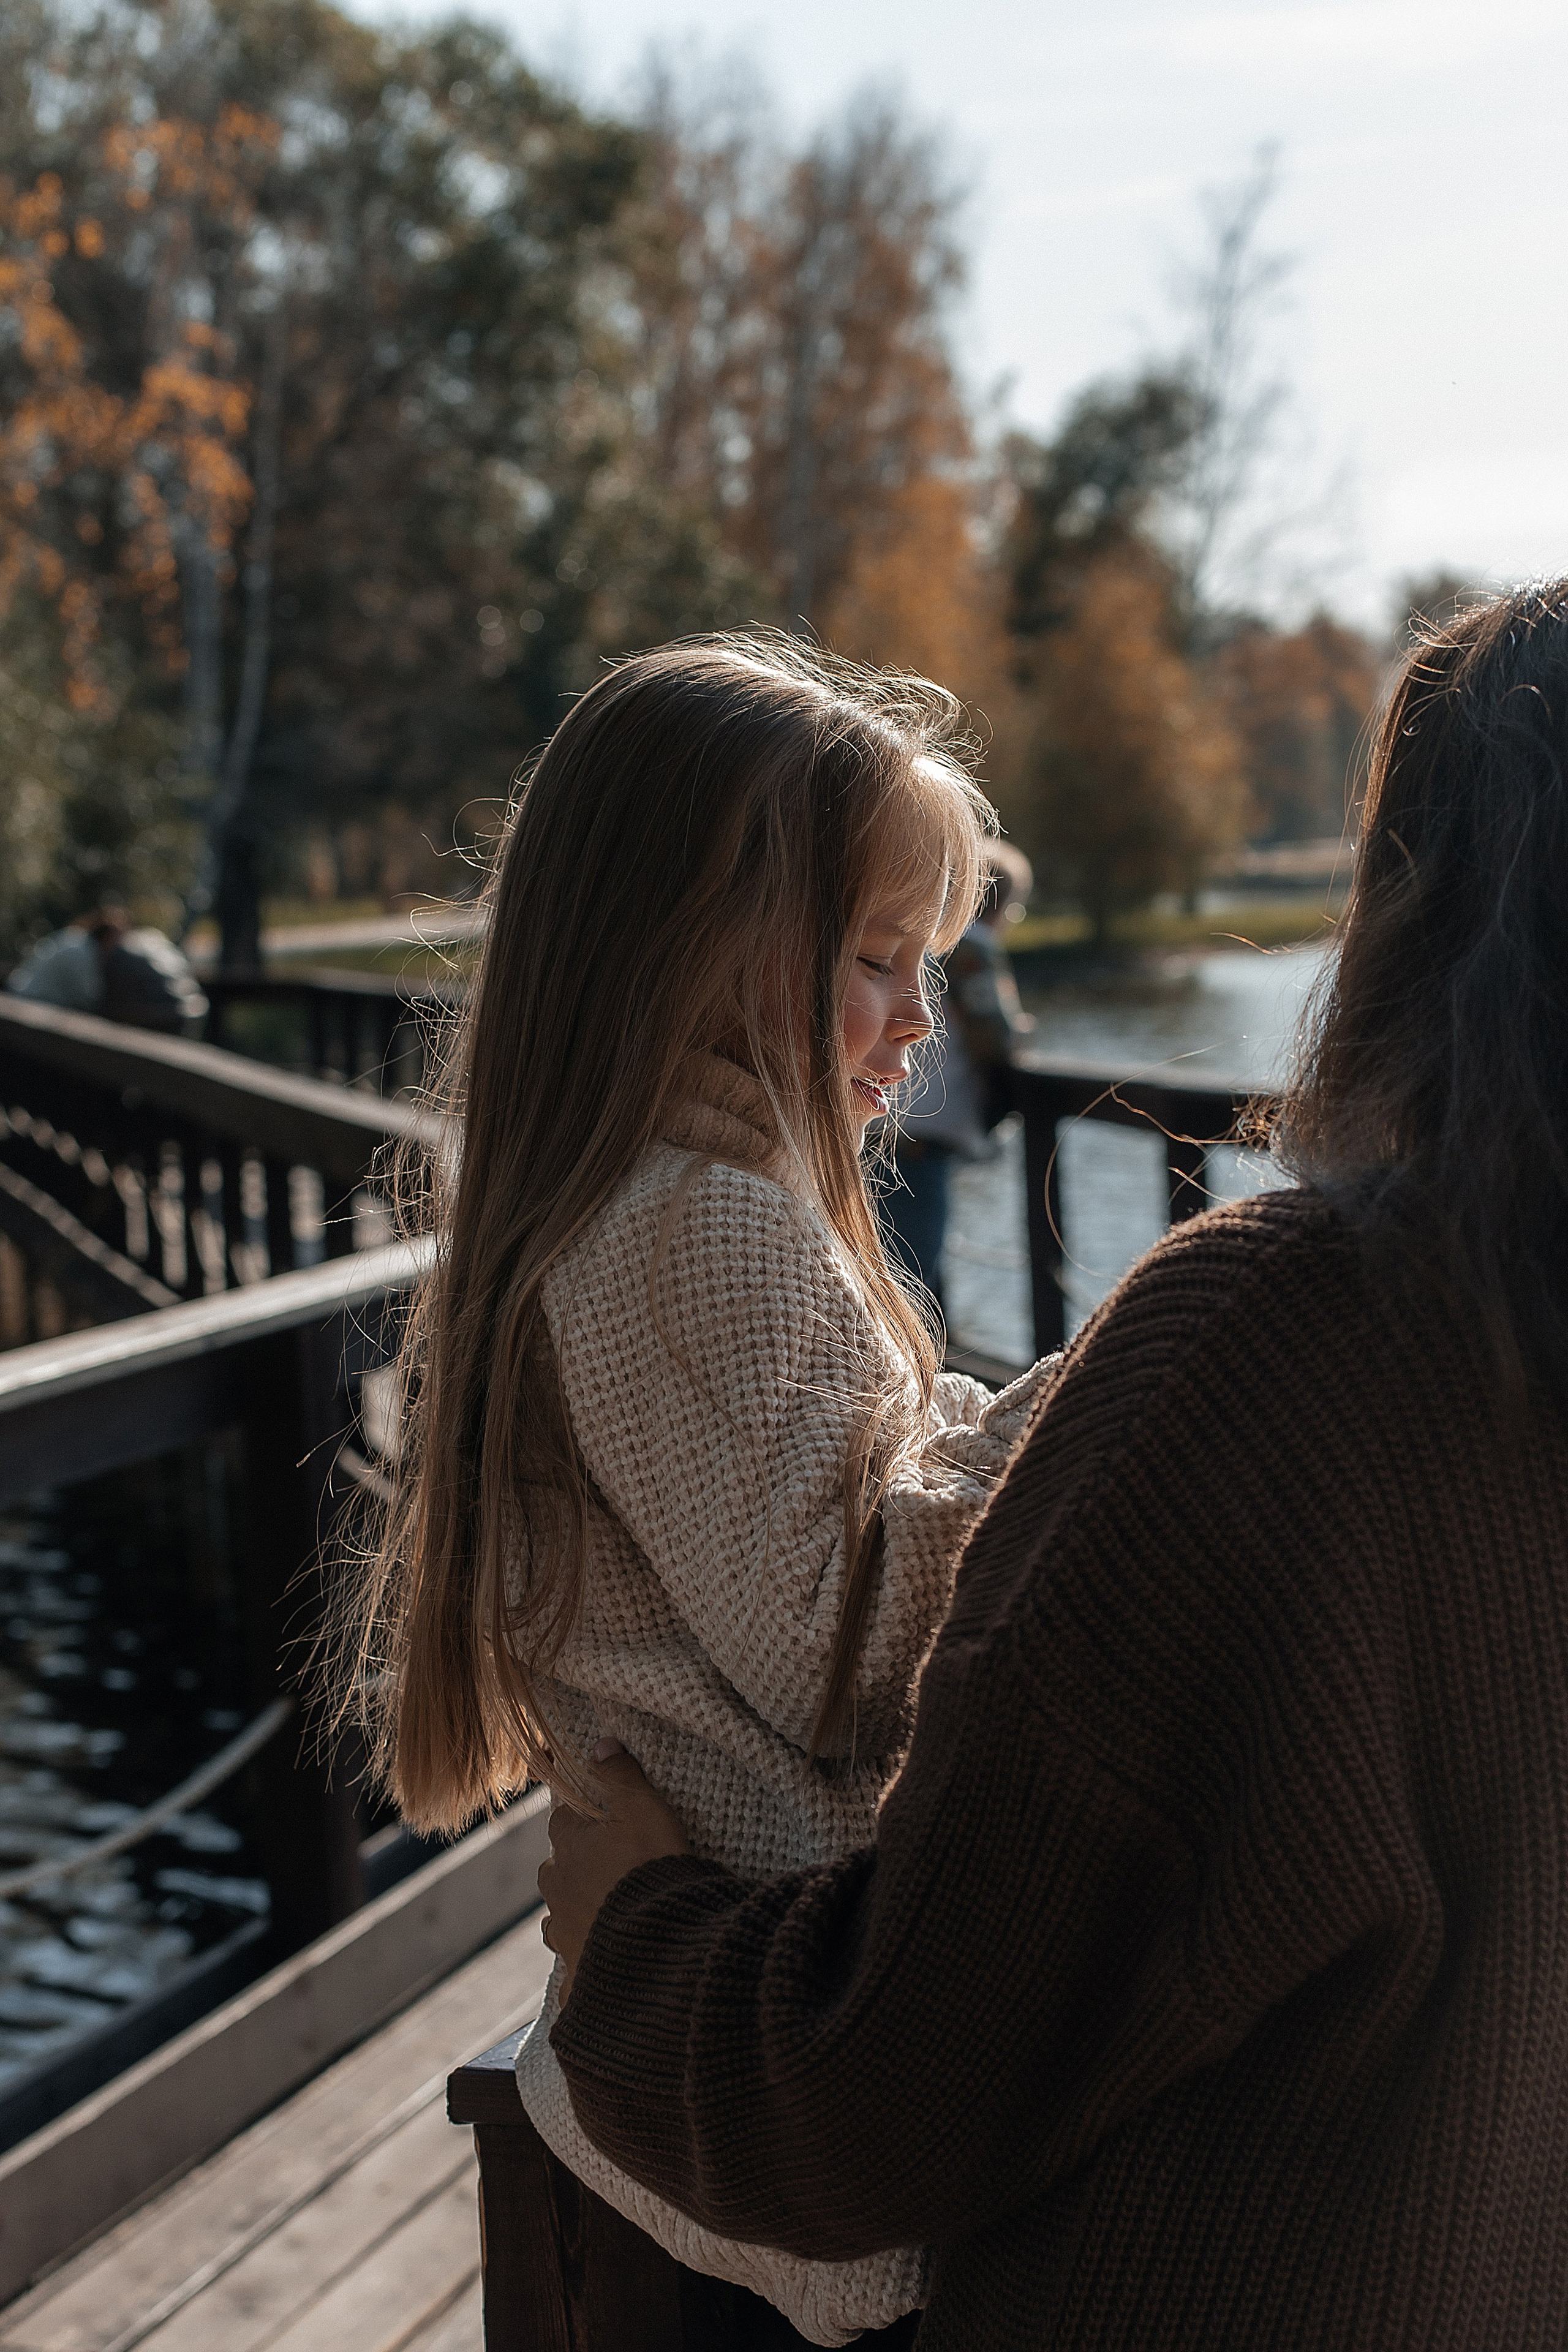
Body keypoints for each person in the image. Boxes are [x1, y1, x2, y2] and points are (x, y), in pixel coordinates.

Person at [539, 581, 1568, 2351]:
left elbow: (875, 2100)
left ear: (1422, 909)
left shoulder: (1291, 1344)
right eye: (877, 958)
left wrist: (635, 1930)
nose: (917, 1016)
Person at [331, 636, 1058, 2345]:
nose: (918, 1016)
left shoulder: (661, 1201)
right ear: (696, 949)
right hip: (773, 2079)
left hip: (692, 2009)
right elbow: (843, 1647)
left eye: (924, 962)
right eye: (874, 958)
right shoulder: (701, 1230)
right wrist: (1096, 1394)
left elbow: (842, 1487)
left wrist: (967, 1421)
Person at [878, 843, 1034, 1314]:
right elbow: (996, 1034)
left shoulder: (916, 939)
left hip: (878, 1128)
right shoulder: (972, 946)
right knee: (909, 1295)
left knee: (884, 1282)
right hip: (917, 1142)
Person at [6, 905, 206, 1033]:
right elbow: (91, 997)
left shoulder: (76, 940)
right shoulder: (82, 952)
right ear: (108, 937)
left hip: (26, 1001)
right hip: (30, 1007)